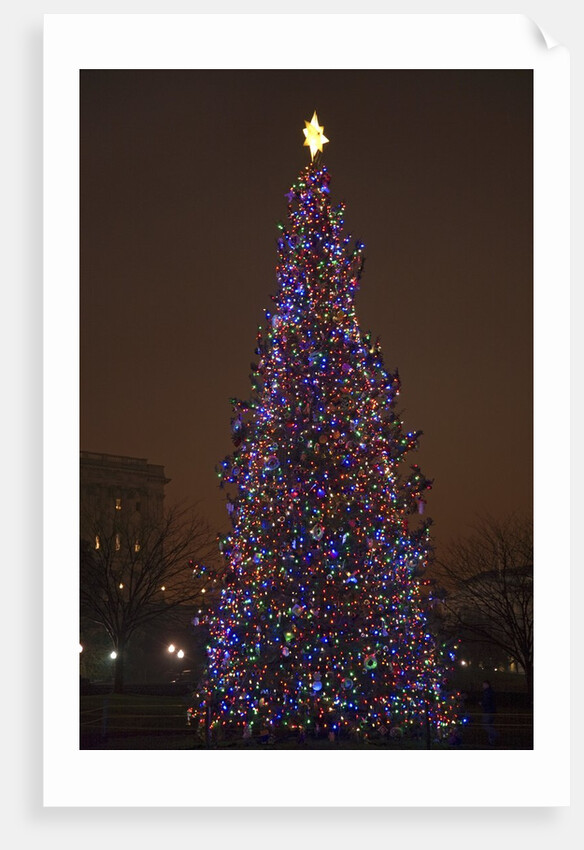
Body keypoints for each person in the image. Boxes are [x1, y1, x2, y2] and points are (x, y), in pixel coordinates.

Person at [481, 680, 497, 746]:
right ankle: (491, 740)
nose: (483, 686)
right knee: (489, 725)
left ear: (487, 685)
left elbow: (487, 701)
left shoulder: (487, 692)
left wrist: (482, 703)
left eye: (484, 684)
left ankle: (495, 734)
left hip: (488, 711)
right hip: (491, 710)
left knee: (485, 725)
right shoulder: (490, 691)